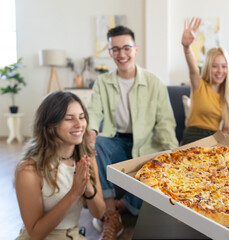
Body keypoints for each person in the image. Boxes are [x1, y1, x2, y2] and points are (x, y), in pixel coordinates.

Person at [87, 25, 178, 238]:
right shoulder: (102, 82)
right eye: (115, 49)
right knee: (97, 144)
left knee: (154, 176)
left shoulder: (154, 83)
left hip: (147, 144)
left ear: (135, 49)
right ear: (110, 52)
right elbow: (93, 111)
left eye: (126, 48)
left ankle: (125, 205)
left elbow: (165, 122)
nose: (121, 54)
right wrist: (90, 132)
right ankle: (111, 214)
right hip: (115, 141)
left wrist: (174, 152)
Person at [15, 91, 105, 239]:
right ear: (50, 125)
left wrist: (87, 187)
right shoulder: (28, 170)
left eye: (82, 117)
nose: (79, 124)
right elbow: (36, 233)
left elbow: (99, 213)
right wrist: (74, 192)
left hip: (74, 235)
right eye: (69, 119)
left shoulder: (86, 159)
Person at [181, 17, 229, 145]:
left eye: (224, 66)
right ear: (208, 67)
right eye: (215, 66)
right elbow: (193, 69)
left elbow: (226, 131)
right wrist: (187, 47)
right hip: (192, 138)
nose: (219, 71)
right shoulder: (199, 85)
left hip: (213, 141)